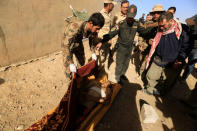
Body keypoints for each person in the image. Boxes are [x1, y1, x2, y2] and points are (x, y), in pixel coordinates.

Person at [142, 12, 189, 96]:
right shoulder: (160, 27)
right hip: (159, 58)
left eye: (163, 25)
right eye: (159, 26)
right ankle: (150, 90)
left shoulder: (182, 30)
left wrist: (179, 60)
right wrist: (151, 41)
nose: (161, 28)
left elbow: (185, 47)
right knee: (151, 75)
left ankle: (161, 93)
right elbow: (151, 38)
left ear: (171, 21)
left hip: (172, 61)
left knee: (166, 79)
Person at [100, 4, 146, 83]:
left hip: (129, 48)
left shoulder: (136, 24)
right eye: (129, 16)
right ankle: (117, 78)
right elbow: (112, 33)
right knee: (119, 64)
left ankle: (122, 75)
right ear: (127, 14)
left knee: (126, 64)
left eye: (132, 17)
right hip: (121, 48)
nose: (130, 19)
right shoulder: (121, 24)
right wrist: (102, 41)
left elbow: (143, 32)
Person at [62, 13, 104, 82]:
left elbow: (91, 39)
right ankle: (70, 83)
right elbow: (66, 45)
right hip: (67, 44)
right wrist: (71, 63)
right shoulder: (75, 27)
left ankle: (79, 79)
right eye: (97, 28)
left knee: (81, 61)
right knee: (68, 67)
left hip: (78, 42)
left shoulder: (92, 29)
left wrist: (93, 52)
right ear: (91, 23)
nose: (98, 31)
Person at [97, 0, 115, 69]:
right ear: (109, 5)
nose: (113, 6)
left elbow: (108, 28)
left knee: (105, 58)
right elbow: (98, 29)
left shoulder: (109, 14)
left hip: (107, 40)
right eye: (112, 4)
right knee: (100, 59)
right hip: (101, 40)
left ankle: (103, 72)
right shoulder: (101, 14)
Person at [182, 15, 197, 80]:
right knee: (181, 60)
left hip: (196, 49)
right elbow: (187, 20)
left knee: (190, 65)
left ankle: (183, 78)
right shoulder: (195, 17)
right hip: (187, 45)